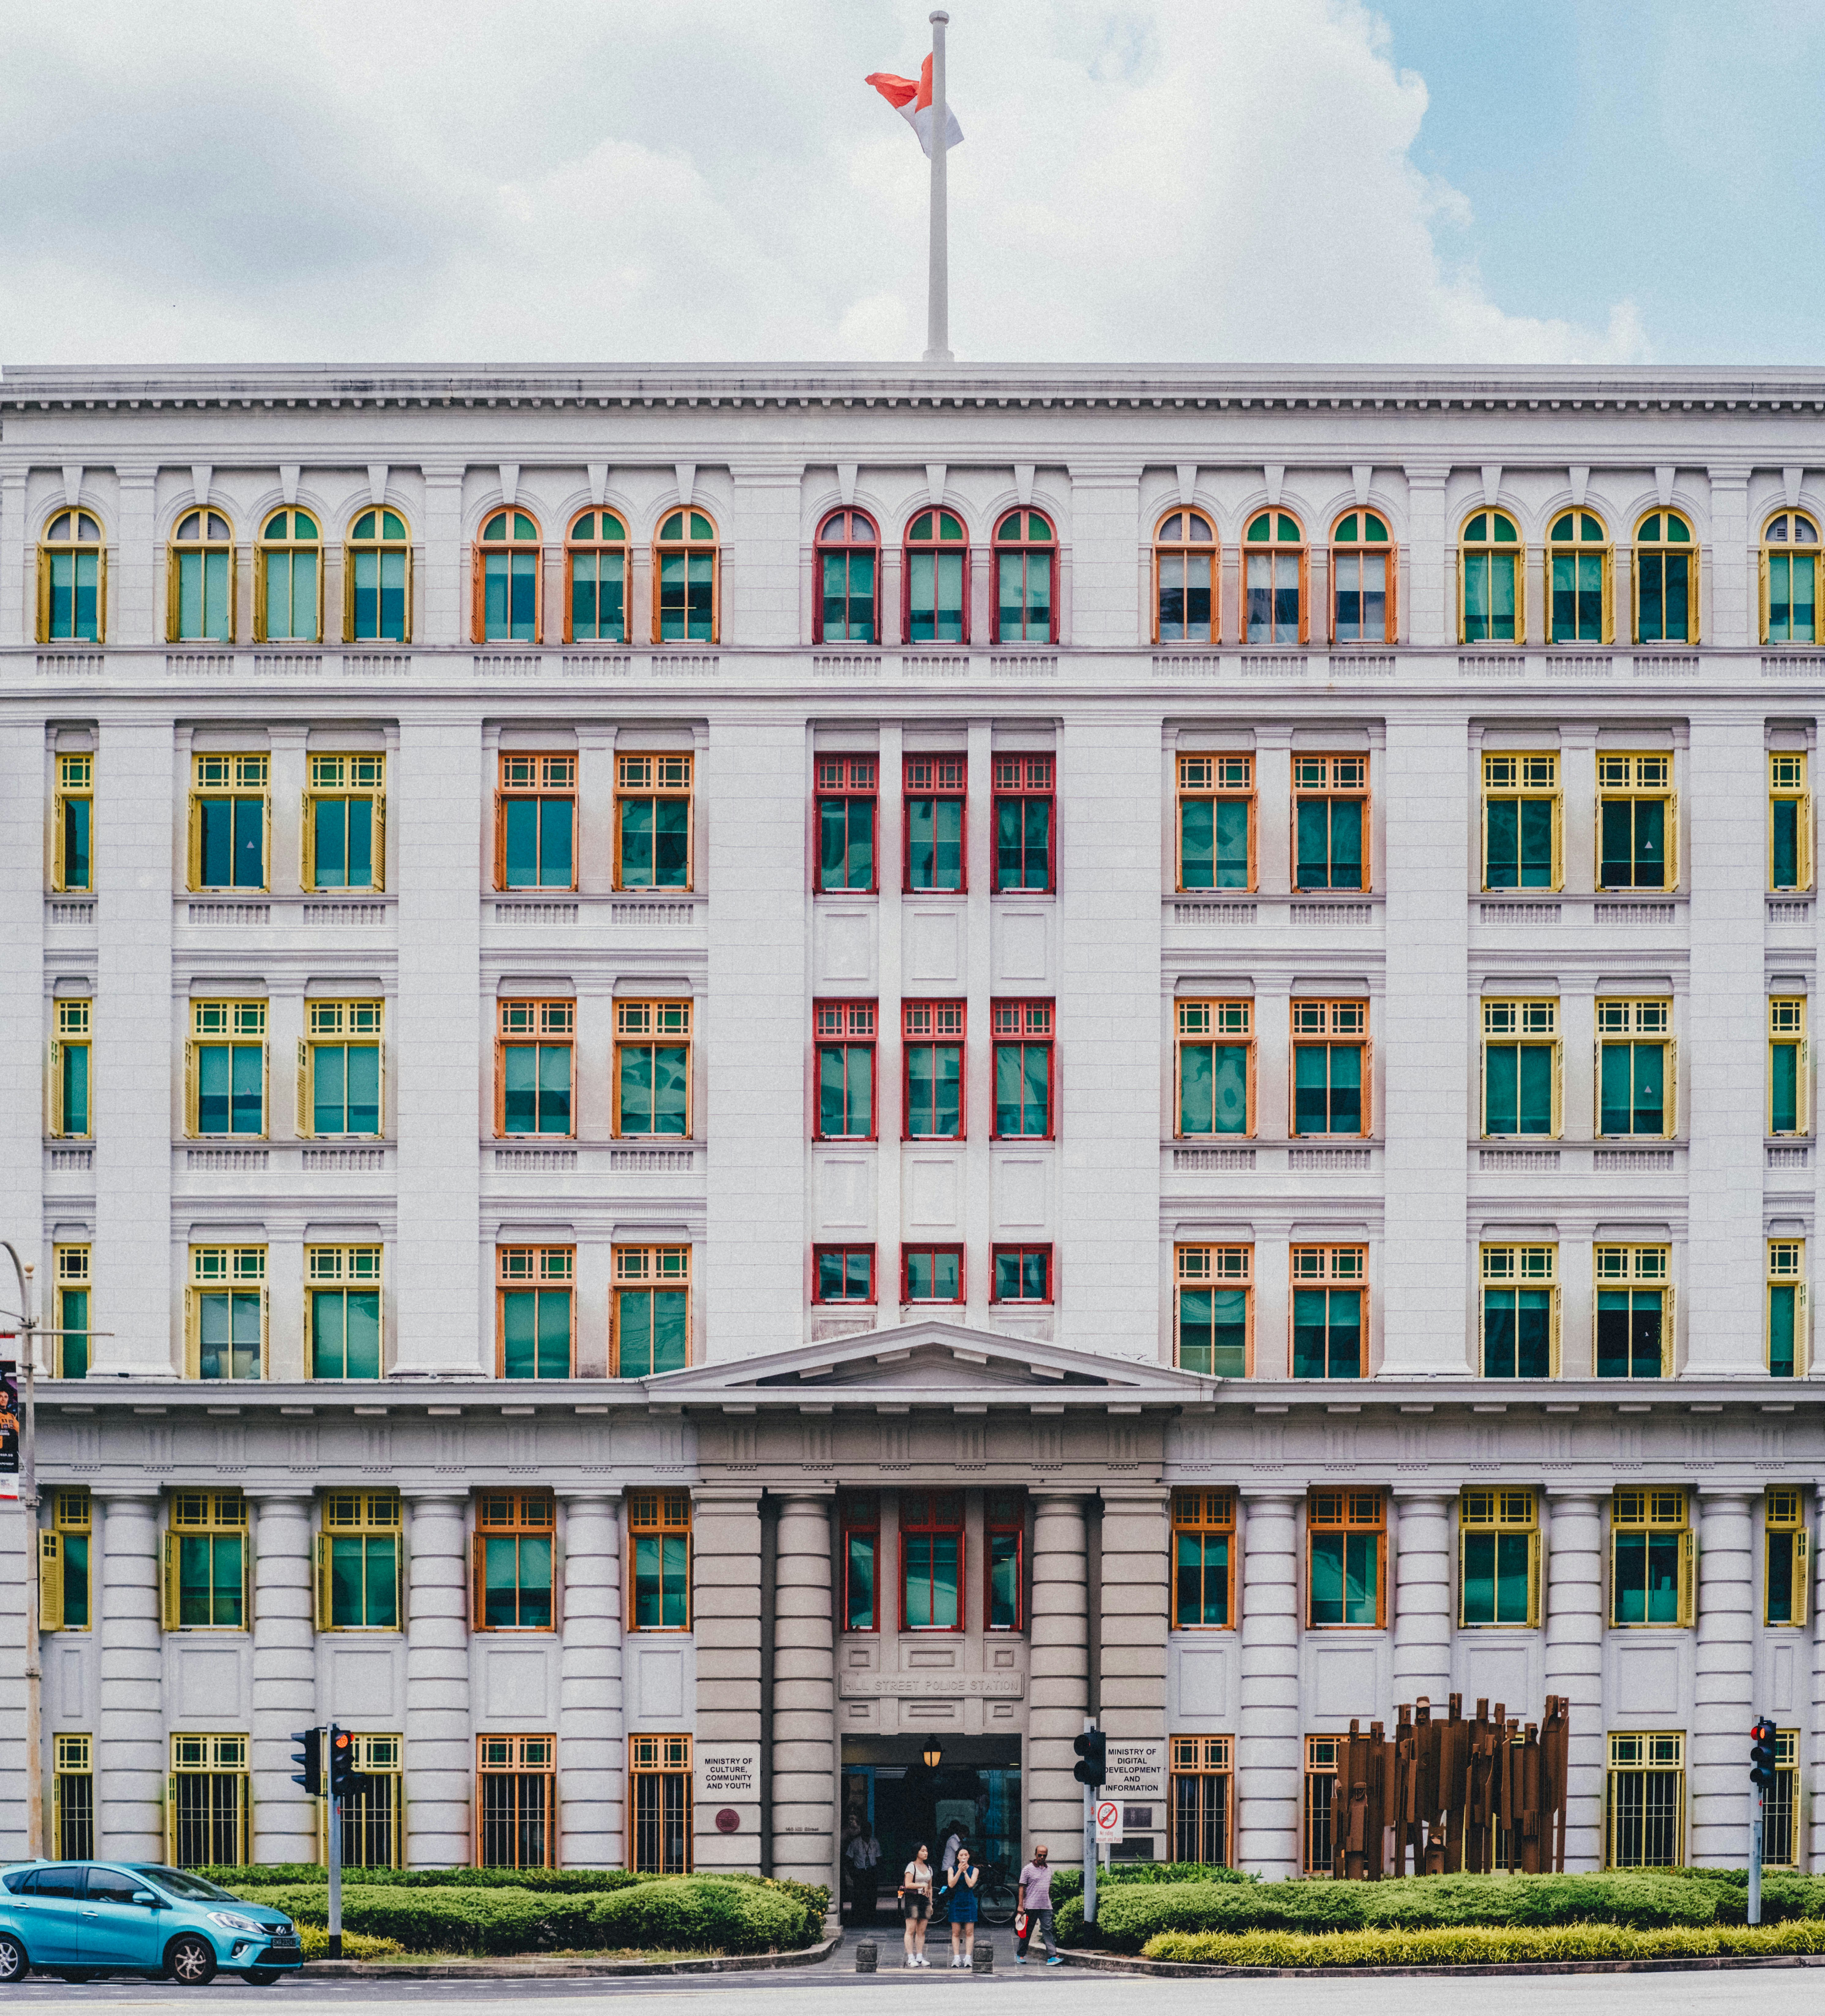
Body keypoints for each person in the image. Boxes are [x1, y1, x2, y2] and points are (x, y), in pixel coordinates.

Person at [1015, 1843, 1061, 1965]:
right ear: (1035, 1855)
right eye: (1039, 1855)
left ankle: (1052, 1956)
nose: (1042, 1857)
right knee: (1028, 1931)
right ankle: (1020, 1955)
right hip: (1031, 1905)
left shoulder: (1049, 1869)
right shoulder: (1027, 1869)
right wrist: (1021, 1906)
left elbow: (1049, 1887)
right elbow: (1021, 1888)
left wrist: (1049, 1900)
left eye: (1044, 1856)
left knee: (1048, 1930)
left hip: (1046, 1906)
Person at [942, 1846, 980, 1968]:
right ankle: (957, 1958)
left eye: (966, 1855)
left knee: (970, 1932)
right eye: (961, 1855)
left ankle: (968, 1958)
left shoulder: (975, 1870)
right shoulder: (951, 1869)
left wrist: (965, 1872)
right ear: (957, 1857)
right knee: (956, 1932)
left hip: (969, 1902)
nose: (964, 1857)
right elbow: (951, 1884)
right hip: (956, 1902)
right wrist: (959, 1871)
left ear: (969, 1856)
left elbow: (971, 1884)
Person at [899, 1841, 935, 1967]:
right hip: (913, 1899)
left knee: (922, 1930)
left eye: (926, 1851)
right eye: (923, 1851)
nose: (926, 1853)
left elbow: (930, 1888)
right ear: (917, 1853)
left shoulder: (929, 1868)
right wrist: (922, 1885)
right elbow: (908, 1884)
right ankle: (911, 1957)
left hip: (925, 1899)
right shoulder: (911, 1866)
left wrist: (931, 1904)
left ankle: (920, 1956)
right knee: (911, 1929)